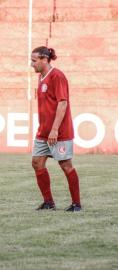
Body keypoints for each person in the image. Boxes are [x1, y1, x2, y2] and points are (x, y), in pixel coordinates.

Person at [30, 46, 81, 212]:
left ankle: (76, 204)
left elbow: (63, 103)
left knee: (65, 165)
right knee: (37, 163)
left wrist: (54, 130)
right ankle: (48, 202)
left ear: (45, 59)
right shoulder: (41, 77)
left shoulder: (57, 76)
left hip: (59, 132)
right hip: (43, 131)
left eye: (34, 60)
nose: (31, 64)